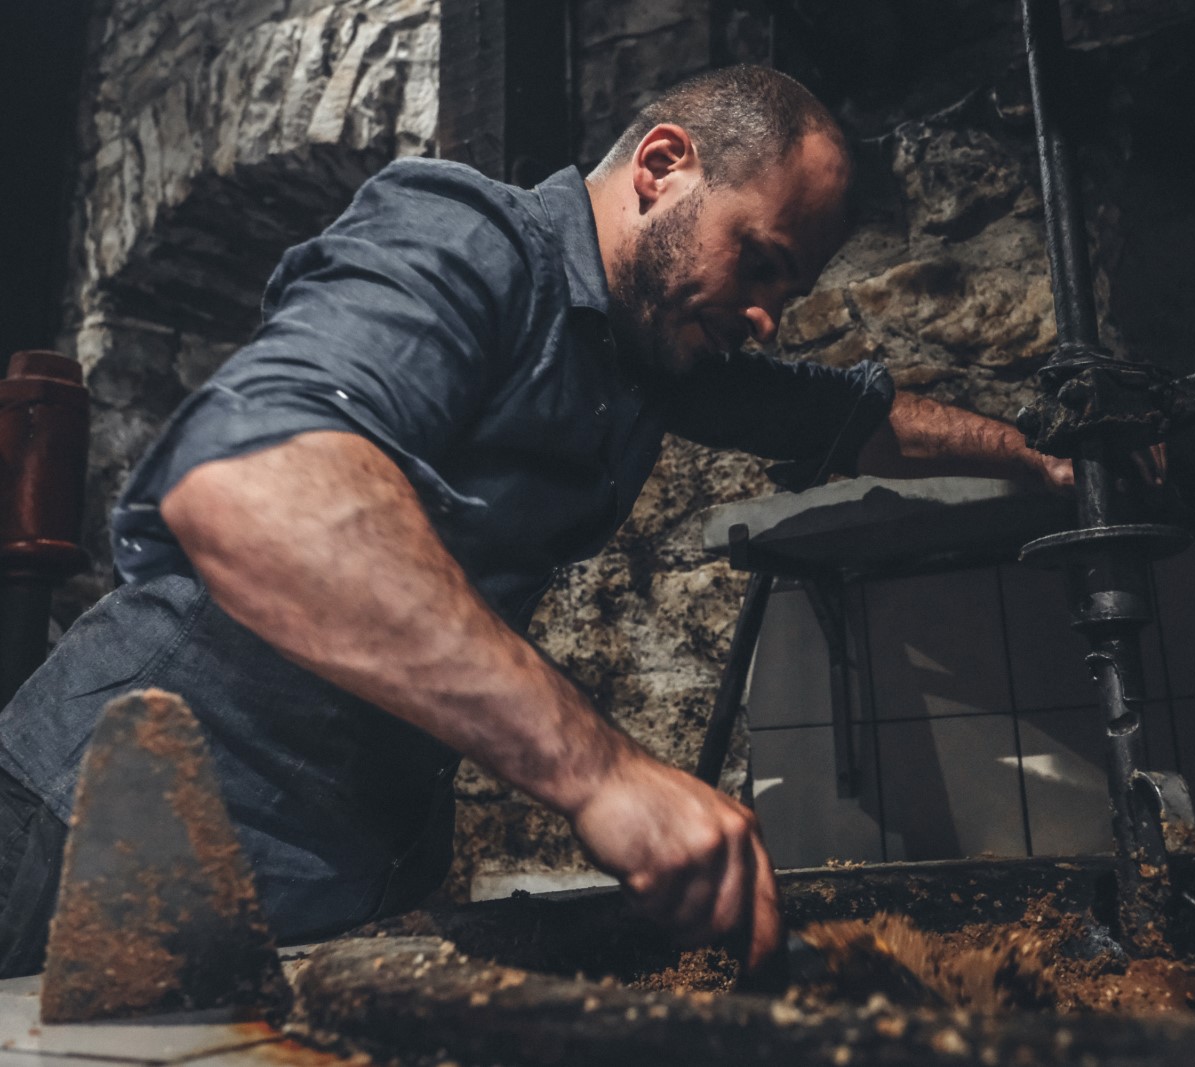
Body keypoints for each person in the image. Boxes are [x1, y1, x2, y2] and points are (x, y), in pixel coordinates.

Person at [0, 65, 1073, 978]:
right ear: (662, 167)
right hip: (101, 824)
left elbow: (854, 417)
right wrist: (601, 771)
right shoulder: (462, 238)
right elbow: (253, 484)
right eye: (761, 261)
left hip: (334, 872)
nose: (763, 314)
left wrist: (1045, 455)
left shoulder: (655, 350)